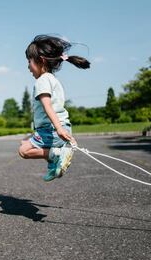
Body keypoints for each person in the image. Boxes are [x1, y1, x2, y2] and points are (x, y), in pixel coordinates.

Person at [18, 35, 90, 181]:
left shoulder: (42, 81)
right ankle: (54, 163)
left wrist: (59, 129)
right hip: (61, 127)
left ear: (41, 60)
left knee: (23, 151)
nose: (28, 66)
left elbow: (48, 107)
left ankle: (56, 155)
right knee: (24, 142)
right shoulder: (52, 79)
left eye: (29, 61)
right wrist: (62, 129)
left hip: (52, 130)